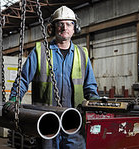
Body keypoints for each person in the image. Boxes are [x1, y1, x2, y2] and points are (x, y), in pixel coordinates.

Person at [6, 6, 99, 149]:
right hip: (46, 121)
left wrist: (94, 101)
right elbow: (23, 79)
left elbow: (90, 86)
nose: (64, 27)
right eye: (60, 23)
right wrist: (14, 98)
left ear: (75, 28)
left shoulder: (82, 54)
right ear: (53, 28)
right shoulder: (40, 52)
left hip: (74, 122)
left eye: (69, 24)